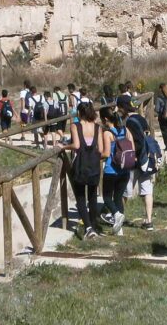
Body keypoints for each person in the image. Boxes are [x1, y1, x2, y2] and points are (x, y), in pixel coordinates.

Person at [65, 102, 106, 239]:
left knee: (80, 197)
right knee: (93, 196)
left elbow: (76, 145)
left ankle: (88, 227)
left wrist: (63, 146)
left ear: (79, 113)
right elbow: (100, 149)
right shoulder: (97, 127)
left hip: (81, 164)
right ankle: (93, 225)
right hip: (94, 164)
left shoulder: (75, 126)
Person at [100, 106, 134, 235]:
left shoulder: (107, 133)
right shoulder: (126, 130)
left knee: (107, 197)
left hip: (111, 169)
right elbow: (132, 147)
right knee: (118, 198)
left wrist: (97, 156)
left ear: (105, 119)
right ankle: (119, 229)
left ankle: (116, 214)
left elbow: (106, 153)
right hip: (124, 169)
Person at [123, 99, 156, 231]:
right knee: (147, 191)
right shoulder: (141, 119)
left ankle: (119, 216)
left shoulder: (129, 122)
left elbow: (136, 141)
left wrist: (134, 155)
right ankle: (148, 221)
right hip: (145, 160)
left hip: (135, 160)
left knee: (124, 191)